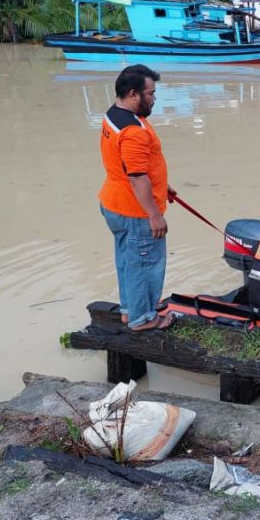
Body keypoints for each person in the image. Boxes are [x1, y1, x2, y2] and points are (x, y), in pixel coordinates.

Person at [99, 64, 176, 332]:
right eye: (151, 94)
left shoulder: (114, 114)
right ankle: (143, 318)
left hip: (114, 202)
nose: (154, 98)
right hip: (135, 211)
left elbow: (136, 168)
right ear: (134, 94)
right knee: (145, 264)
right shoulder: (133, 131)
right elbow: (137, 177)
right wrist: (154, 214)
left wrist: (163, 186)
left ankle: (130, 310)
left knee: (128, 260)